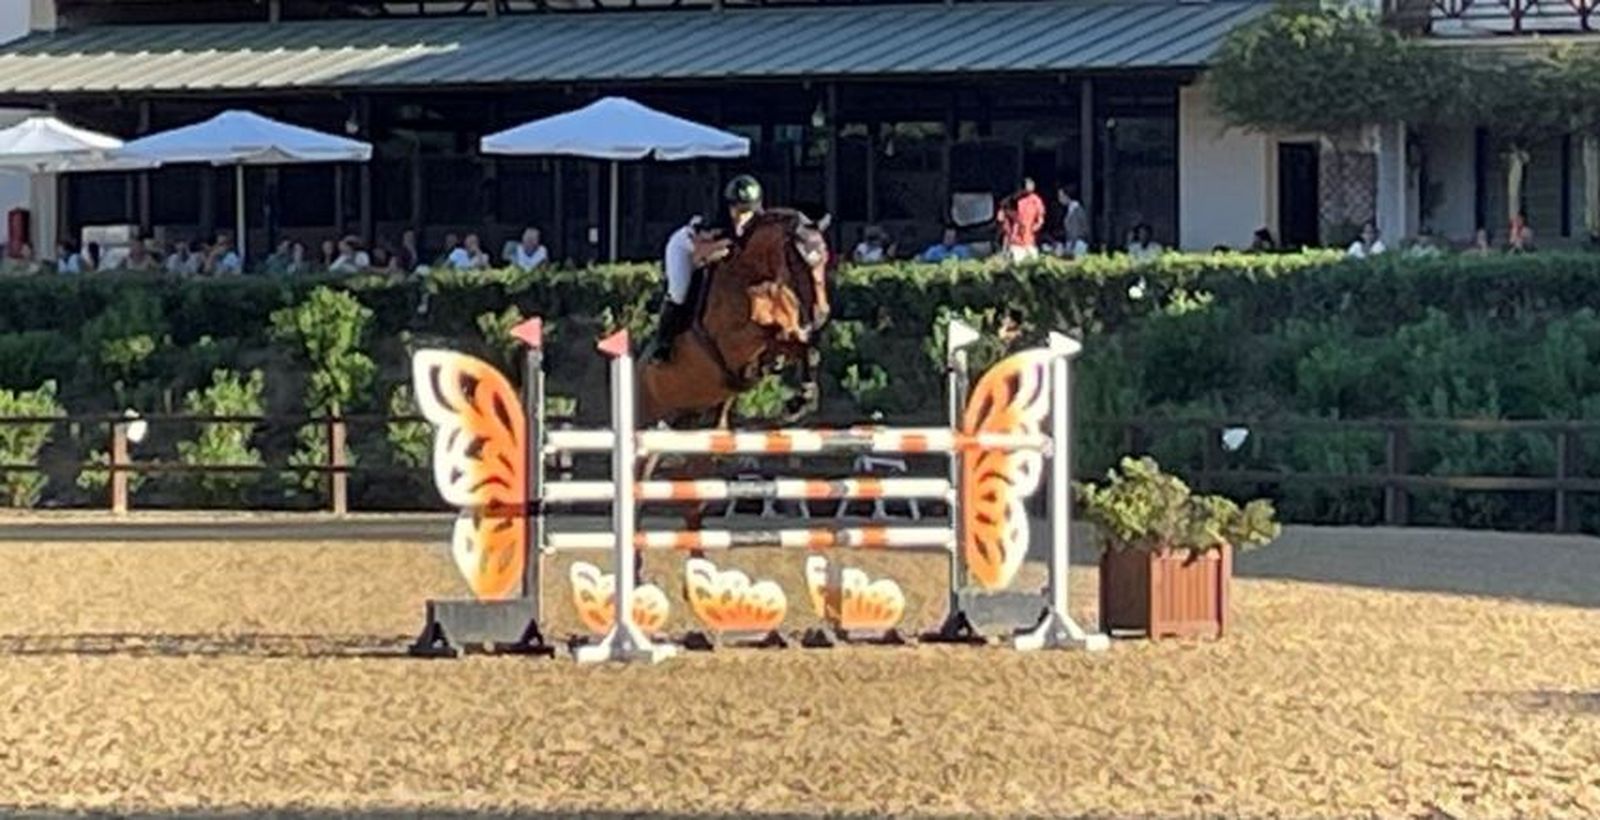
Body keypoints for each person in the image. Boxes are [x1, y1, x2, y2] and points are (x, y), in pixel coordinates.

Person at [648, 173, 763, 363]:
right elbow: (699, 253)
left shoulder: (758, 222)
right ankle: (663, 343)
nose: (741, 217)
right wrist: (725, 244)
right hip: (685, 248)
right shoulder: (713, 222)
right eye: (737, 210)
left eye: (746, 212)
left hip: (716, 253)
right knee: (679, 293)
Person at [998, 177, 1045, 263]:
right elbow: (1002, 220)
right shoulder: (1010, 201)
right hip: (1015, 241)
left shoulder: (1035, 201)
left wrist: (1034, 228)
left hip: (1029, 240)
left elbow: (1040, 219)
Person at [1057, 184, 1090, 257]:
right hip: (1072, 242)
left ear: (1067, 196)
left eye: (1061, 196)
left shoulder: (1076, 210)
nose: (1059, 199)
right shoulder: (1070, 209)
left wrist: (1071, 247)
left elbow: (1076, 230)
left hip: (1077, 244)